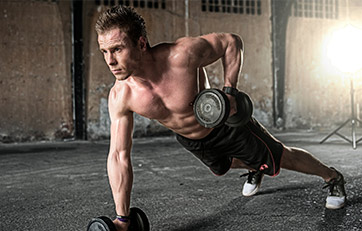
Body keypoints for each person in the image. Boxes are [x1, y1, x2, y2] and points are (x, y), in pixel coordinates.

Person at [95, 5, 346, 231]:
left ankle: (332, 177)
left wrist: (229, 92)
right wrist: (123, 218)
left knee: (281, 156)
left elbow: (230, 42)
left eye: (117, 49)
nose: (109, 60)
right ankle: (253, 167)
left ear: (140, 43)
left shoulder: (181, 56)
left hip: (225, 125)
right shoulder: (121, 96)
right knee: (225, 165)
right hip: (192, 140)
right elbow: (119, 156)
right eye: (104, 51)